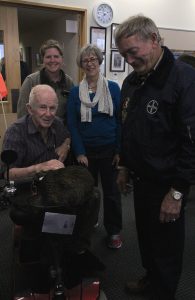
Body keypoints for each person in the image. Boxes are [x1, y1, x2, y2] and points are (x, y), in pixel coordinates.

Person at [115, 15, 195, 300]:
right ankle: (151, 279)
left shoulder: (184, 79)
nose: (129, 60)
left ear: (154, 40)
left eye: (132, 52)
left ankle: (163, 292)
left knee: (167, 249)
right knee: (147, 241)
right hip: (141, 179)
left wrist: (177, 192)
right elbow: (127, 127)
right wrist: (123, 165)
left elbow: (191, 143)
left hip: (168, 184)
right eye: (124, 55)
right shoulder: (133, 82)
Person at [67, 44, 122, 249]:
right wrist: (79, 151)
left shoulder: (114, 88)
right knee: (87, 193)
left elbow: (119, 121)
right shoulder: (75, 92)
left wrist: (119, 150)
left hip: (109, 150)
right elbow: (72, 124)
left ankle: (114, 230)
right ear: (81, 65)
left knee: (111, 193)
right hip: (86, 153)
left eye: (93, 59)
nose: (89, 63)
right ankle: (89, 223)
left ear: (99, 61)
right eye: (85, 60)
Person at [2, 84, 71, 180]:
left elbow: (67, 136)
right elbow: (7, 174)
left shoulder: (57, 123)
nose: (48, 114)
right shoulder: (16, 132)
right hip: (26, 189)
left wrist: (66, 145)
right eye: (42, 107)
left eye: (52, 108)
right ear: (30, 109)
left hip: (53, 187)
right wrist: (38, 168)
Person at [17, 39, 74, 123]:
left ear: (61, 59)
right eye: (48, 57)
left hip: (61, 133)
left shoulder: (69, 82)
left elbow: (71, 113)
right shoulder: (31, 81)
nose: (52, 60)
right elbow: (22, 115)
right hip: (35, 133)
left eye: (56, 56)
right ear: (42, 59)